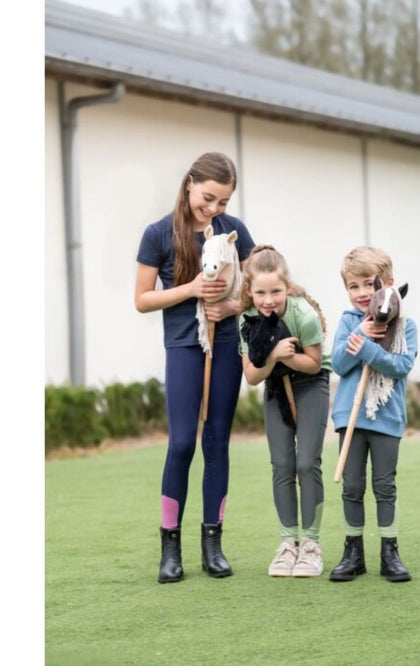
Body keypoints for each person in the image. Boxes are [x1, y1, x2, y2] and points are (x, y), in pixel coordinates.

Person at [135, 152, 255, 583]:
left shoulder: (234, 231)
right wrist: (190, 289)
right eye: (209, 198)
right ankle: (170, 547)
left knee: (217, 442)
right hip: (185, 346)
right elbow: (142, 299)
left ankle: (213, 544)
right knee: (183, 442)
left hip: (224, 345)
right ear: (190, 184)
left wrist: (228, 306)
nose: (215, 209)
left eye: (223, 202)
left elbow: (257, 288)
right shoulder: (158, 234)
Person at [239, 245, 331, 577]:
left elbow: (313, 362)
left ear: (287, 287)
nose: (268, 300)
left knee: (306, 463)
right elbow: (251, 375)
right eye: (260, 292)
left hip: (310, 382)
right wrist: (274, 356)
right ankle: (287, 543)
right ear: (249, 290)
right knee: (282, 464)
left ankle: (311, 545)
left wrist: (285, 356)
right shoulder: (246, 321)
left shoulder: (303, 314)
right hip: (275, 385)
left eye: (275, 292)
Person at [329, 247, 417, 583]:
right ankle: (353, 553)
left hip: (386, 417)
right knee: (351, 486)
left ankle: (390, 552)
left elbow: (402, 366)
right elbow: (338, 362)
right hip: (350, 419)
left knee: (384, 486)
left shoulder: (406, 326)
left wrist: (368, 349)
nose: (363, 293)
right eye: (354, 286)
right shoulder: (349, 321)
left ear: (388, 283)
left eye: (369, 284)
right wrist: (359, 336)